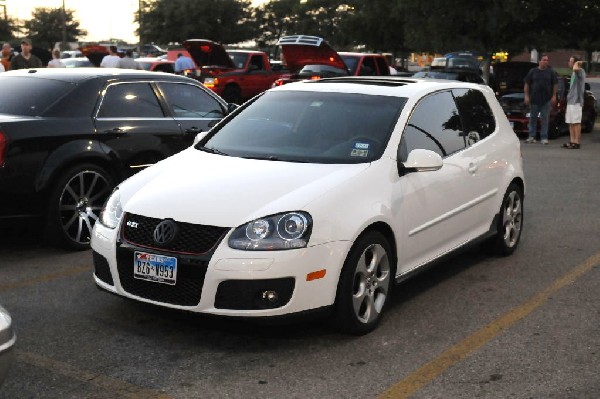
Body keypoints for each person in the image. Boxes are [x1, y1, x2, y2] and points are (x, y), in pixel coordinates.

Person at [523, 54, 558, 145]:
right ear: (539, 61)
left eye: (547, 60)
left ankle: (544, 137)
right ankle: (532, 136)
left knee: (545, 119)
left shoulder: (551, 72)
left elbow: (554, 84)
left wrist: (554, 96)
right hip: (534, 99)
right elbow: (527, 84)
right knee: (533, 119)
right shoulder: (533, 71)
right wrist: (526, 96)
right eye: (544, 60)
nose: (546, 61)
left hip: (546, 100)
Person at [561, 56, 587, 149]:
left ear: (576, 63)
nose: (569, 62)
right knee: (570, 122)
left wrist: (578, 62)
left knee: (576, 122)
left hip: (576, 101)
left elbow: (576, 68)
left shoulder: (580, 71)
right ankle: (572, 141)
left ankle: (577, 142)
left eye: (571, 61)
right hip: (571, 100)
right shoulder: (573, 72)